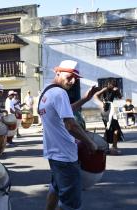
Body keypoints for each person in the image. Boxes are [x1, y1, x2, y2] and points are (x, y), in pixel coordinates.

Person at [38, 60, 98, 210]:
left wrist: (85, 99)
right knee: (70, 204)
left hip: (53, 155)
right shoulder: (60, 93)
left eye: (75, 79)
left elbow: (67, 109)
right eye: (69, 76)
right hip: (66, 157)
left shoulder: (46, 91)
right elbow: (70, 125)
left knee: (55, 188)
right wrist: (90, 143)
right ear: (58, 72)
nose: (72, 81)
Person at [94, 78, 124, 155]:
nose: (113, 85)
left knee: (113, 129)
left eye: (114, 84)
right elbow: (96, 95)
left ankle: (112, 146)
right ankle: (112, 147)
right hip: (106, 110)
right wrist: (101, 103)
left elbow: (120, 97)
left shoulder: (114, 90)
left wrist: (117, 91)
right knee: (110, 128)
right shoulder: (105, 89)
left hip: (111, 109)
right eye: (111, 83)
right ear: (108, 83)